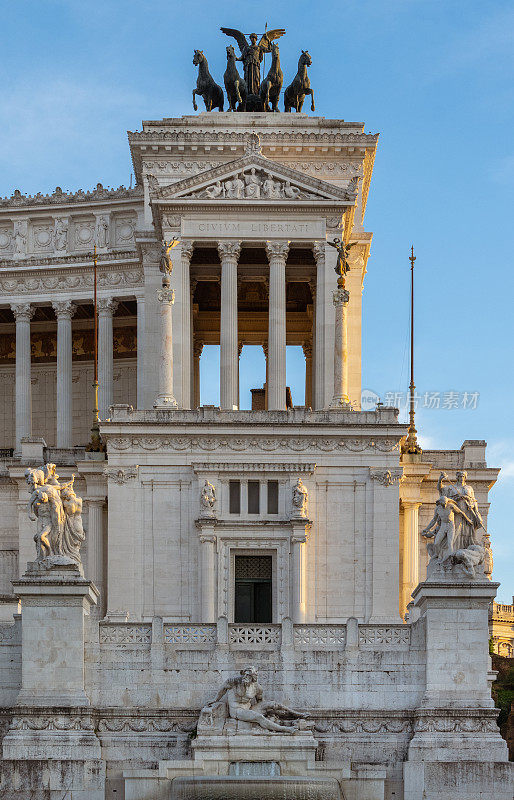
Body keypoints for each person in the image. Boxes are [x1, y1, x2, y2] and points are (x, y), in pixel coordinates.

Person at [206, 667, 299, 734]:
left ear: (253, 678)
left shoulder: (257, 688)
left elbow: (260, 700)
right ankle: (285, 729)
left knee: (273, 704)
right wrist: (215, 699)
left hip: (249, 708)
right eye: (245, 674)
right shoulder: (234, 681)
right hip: (236, 711)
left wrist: (266, 709)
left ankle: (297, 714)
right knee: (259, 717)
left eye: (249, 675)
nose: (245, 677)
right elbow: (222, 689)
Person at [421, 495, 474, 562]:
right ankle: (438, 556)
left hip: (450, 526)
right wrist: (427, 529)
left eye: (446, 503)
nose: (445, 505)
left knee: (450, 543)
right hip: (443, 526)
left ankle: (450, 559)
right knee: (436, 543)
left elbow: (461, 513)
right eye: (444, 504)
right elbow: (434, 520)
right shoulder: (438, 509)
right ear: (440, 503)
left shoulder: (451, 506)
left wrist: (468, 520)